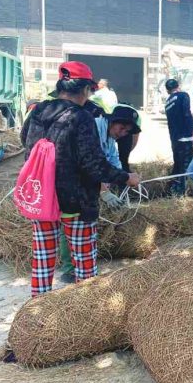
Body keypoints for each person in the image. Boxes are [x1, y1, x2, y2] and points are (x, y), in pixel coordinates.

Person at [20, 61, 140, 296]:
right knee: (84, 259)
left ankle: (38, 306)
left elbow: (26, 143)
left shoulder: (39, 111)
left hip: (41, 195)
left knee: (43, 257)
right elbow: (93, 165)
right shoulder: (81, 116)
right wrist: (126, 177)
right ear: (86, 89)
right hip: (75, 200)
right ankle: (86, 308)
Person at [57, 103, 141, 283]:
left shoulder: (109, 138)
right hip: (70, 182)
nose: (122, 133)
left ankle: (83, 268)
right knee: (71, 221)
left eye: (127, 131)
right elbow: (90, 165)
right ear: (112, 121)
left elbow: (113, 162)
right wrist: (104, 190)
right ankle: (70, 269)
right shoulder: (91, 127)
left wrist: (123, 178)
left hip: (86, 185)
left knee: (85, 225)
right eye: (122, 127)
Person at [165, 79, 193, 196]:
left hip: (175, 139)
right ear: (178, 86)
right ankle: (182, 192)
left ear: (167, 90)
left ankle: (173, 189)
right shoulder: (183, 95)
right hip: (185, 138)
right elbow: (187, 115)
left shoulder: (168, 101)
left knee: (178, 165)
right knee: (186, 166)